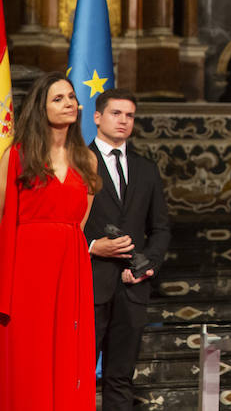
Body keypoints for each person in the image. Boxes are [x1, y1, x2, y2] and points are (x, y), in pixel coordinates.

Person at [0, 71, 100, 410]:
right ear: (39, 108)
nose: (69, 103)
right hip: (26, 271)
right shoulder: (16, 155)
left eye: (71, 97)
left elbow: (79, 223)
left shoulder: (87, 160)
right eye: (58, 98)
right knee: (29, 353)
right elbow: (2, 217)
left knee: (68, 353)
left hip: (70, 268)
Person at [83, 89, 171, 411]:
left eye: (129, 115)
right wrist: (93, 246)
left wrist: (150, 264)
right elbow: (62, 225)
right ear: (97, 117)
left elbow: (160, 227)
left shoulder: (146, 169)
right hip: (89, 283)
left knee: (121, 376)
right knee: (79, 375)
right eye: (115, 113)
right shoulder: (79, 162)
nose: (123, 121)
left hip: (133, 287)